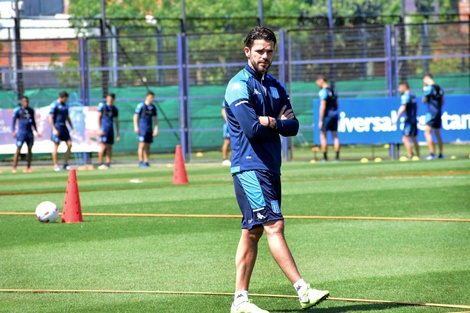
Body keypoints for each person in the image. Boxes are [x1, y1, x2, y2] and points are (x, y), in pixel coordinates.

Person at [224, 26, 329, 313]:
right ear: (247, 52)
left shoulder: (274, 85)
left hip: (270, 167)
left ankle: (240, 301)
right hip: (249, 167)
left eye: (269, 51)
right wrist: (273, 123)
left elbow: (292, 126)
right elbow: (251, 129)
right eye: (260, 51)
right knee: (274, 225)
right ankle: (302, 289)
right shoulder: (238, 85)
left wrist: (271, 121)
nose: (265, 56)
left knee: (252, 232)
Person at [11, 96, 41, 173]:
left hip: (29, 133)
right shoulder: (18, 110)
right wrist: (13, 131)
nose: (26, 103)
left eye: (27, 101)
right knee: (18, 149)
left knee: (30, 149)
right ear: (21, 102)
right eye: (24, 101)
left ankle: (28, 167)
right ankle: (14, 167)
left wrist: (36, 131)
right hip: (21, 133)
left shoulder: (31, 110)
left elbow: (33, 121)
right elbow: (13, 121)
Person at [392, 81, 420, 160]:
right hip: (414, 119)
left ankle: (410, 156)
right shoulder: (412, 95)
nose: (399, 89)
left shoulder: (405, 96)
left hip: (409, 120)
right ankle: (418, 156)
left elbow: (403, 107)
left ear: (404, 86)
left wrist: (396, 118)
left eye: (400, 87)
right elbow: (417, 107)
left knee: (405, 138)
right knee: (414, 138)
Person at [315, 75, 340, 162]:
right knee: (335, 136)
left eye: (317, 83)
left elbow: (322, 106)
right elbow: (337, 104)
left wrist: (321, 120)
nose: (317, 85)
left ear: (321, 81)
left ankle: (325, 157)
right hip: (335, 115)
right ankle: (337, 157)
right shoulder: (333, 90)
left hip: (327, 116)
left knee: (323, 136)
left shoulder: (323, 91)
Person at [49, 91, 74, 172]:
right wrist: (53, 128)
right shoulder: (54, 105)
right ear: (62, 97)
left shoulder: (66, 106)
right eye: (66, 99)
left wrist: (72, 127)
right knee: (56, 145)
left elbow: (67, 117)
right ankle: (56, 165)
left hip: (64, 127)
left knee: (70, 144)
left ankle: (65, 163)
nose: (66, 100)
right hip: (57, 127)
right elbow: (50, 117)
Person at [422, 73, 444, 160]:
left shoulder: (428, 88)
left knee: (427, 132)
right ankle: (441, 153)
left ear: (427, 79)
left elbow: (424, 100)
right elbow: (442, 101)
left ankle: (432, 153)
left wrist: (424, 90)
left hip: (431, 113)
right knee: (437, 133)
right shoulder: (439, 88)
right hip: (438, 112)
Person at [133, 91, 158, 167]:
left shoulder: (153, 107)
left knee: (148, 145)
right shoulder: (141, 106)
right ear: (146, 97)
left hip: (149, 129)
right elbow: (135, 116)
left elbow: (155, 118)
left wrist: (156, 128)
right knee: (142, 145)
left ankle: (146, 161)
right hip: (142, 129)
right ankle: (141, 161)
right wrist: (136, 126)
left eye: (153, 97)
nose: (152, 99)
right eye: (150, 97)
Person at [97, 93, 120, 170]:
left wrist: (118, 133)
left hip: (110, 130)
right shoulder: (103, 107)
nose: (109, 99)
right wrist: (99, 129)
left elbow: (116, 121)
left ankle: (108, 163)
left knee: (109, 147)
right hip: (104, 130)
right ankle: (100, 163)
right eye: (108, 98)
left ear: (113, 99)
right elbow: (98, 117)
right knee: (103, 146)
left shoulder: (114, 109)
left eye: (111, 98)